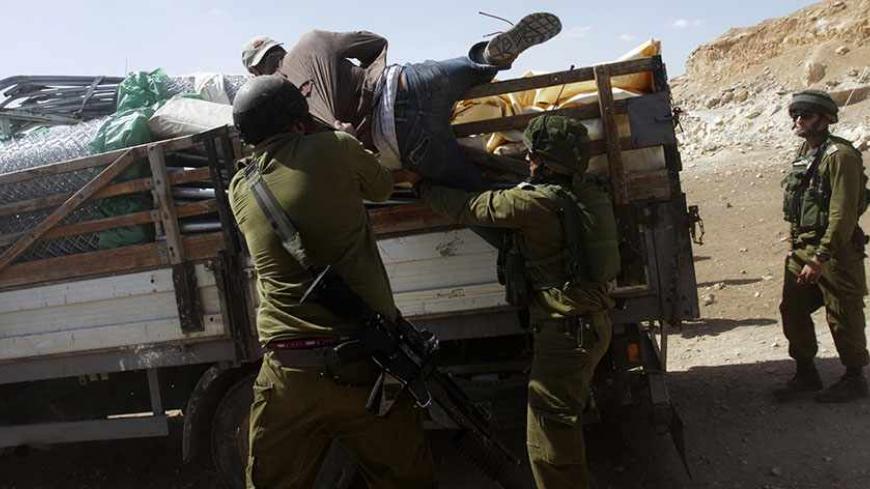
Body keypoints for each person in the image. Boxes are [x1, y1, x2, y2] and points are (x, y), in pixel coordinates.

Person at [227, 75, 435, 488]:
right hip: (366, 361)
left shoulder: (239, 189)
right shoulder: (335, 149)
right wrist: (333, 132)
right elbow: (381, 186)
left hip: (290, 372)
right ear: (298, 118)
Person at [409, 114, 620, 489]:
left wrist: (423, 189)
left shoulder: (531, 204)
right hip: (594, 325)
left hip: (565, 334)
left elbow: (470, 207)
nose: (527, 160)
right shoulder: (592, 194)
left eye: (533, 155)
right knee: (561, 424)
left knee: (549, 437)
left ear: (547, 161)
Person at [241, 12, 562, 189]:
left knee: (472, 185)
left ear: (256, 72)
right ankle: (487, 56)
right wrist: (368, 75)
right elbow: (375, 42)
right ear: (279, 49)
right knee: (466, 68)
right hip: (406, 82)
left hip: (398, 138)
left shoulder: (276, 106)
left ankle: (527, 189)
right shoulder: (312, 41)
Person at [775, 89, 869, 403]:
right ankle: (806, 373)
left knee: (843, 314)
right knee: (793, 308)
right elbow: (799, 200)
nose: (799, 121)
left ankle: (854, 378)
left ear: (825, 119)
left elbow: (842, 215)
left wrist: (820, 257)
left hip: (836, 252)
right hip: (804, 248)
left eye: (806, 115)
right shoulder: (805, 151)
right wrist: (796, 244)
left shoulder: (840, 156)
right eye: (796, 115)